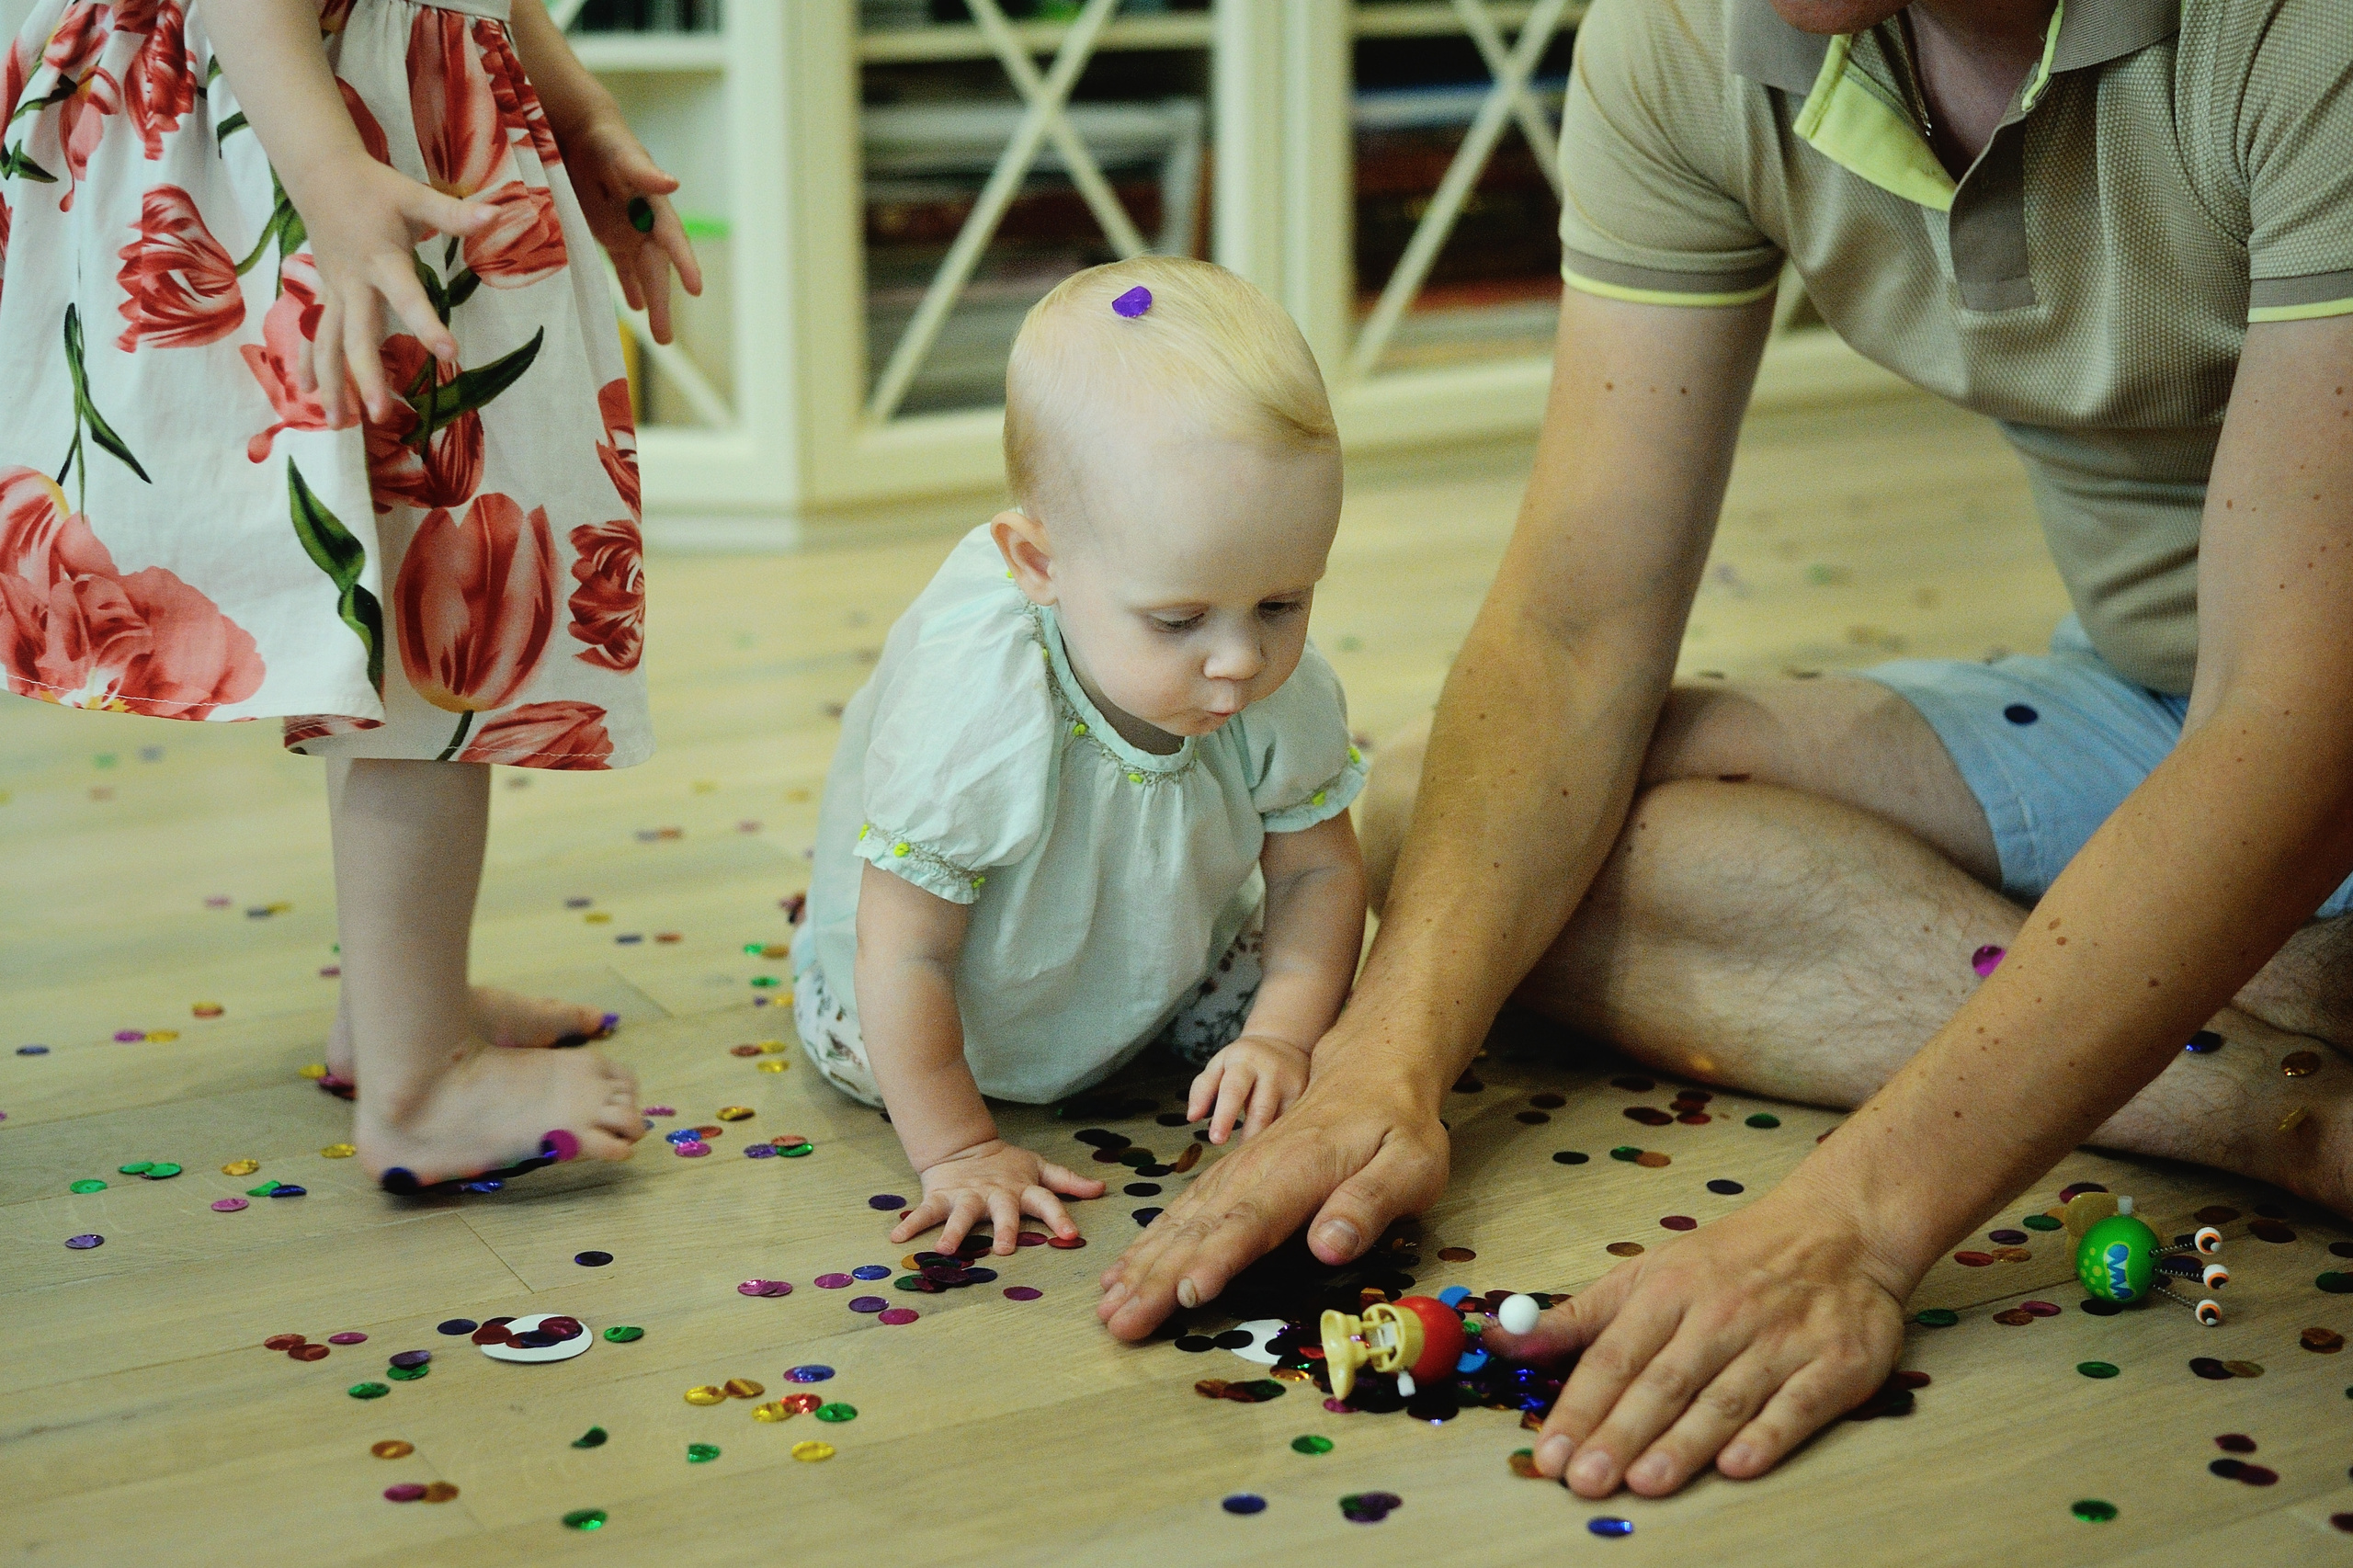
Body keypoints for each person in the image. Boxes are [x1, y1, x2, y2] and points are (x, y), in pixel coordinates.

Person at [1097, 0, 2353, 1500]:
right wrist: (1385, 1060)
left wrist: (1856, 1219)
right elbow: (1574, 634)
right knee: (1457, 806)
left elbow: (2299, 726)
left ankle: (2185, 975)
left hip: (2303, 710)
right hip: (2150, 699)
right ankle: (2289, 1095)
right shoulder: (1688, 31)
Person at [0, 0, 702, 1187]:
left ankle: (397, 1002)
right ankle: (421, 1078)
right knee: (444, 574)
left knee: (410, 564)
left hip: (333, 97)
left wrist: (573, 107)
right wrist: (329, 170)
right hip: (310, 118)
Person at [792, 256, 1369, 1258]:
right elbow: (907, 950)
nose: (1240, 658)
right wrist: (959, 1148)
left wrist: (1276, 1031)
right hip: (930, 1012)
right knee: (884, 997)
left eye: (1282, 601)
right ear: (1036, 564)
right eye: (1179, 616)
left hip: (1154, 961)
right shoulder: (978, 705)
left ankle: (1169, 1015)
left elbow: (1318, 867)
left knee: (1328, 999)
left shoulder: (1271, 676)